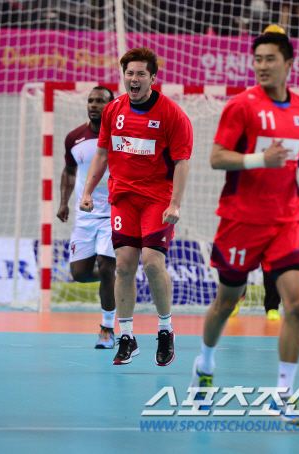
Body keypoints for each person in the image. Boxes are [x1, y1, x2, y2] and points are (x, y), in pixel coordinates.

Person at [191, 26, 299, 424]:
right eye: (258, 59)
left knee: (296, 305)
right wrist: (258, 160)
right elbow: (216, 157)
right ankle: (204, 365)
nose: (262, 66)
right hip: (241, 219)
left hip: (286, 218)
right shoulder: (241, 105)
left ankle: (283, 394)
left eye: (270, 59)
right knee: (226, 302)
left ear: (289, 64)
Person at [80, 47, 193, 367]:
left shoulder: (172, 114)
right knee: (124, 266)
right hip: (123, 198)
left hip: (158, 198)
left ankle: (165, 330)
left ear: (152, 78)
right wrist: (87, 192)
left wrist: (175, 204)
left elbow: (182, 162)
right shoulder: (112, 110)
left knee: (153, 263)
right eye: (129, 73)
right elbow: (102, 153)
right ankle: (127, 337)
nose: (134, 78)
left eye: (141, 73)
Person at [57, 86, 117, 349]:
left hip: (114, 213)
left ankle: (107, 329)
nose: (94, 104)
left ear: (111, 106)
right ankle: (116, 278)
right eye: (91, 100)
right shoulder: (74, 138)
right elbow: (69, 171)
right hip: (85, 215)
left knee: (106, 265)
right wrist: (64, 203)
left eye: (100, 101)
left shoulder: (120, 136)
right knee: (80, 274)